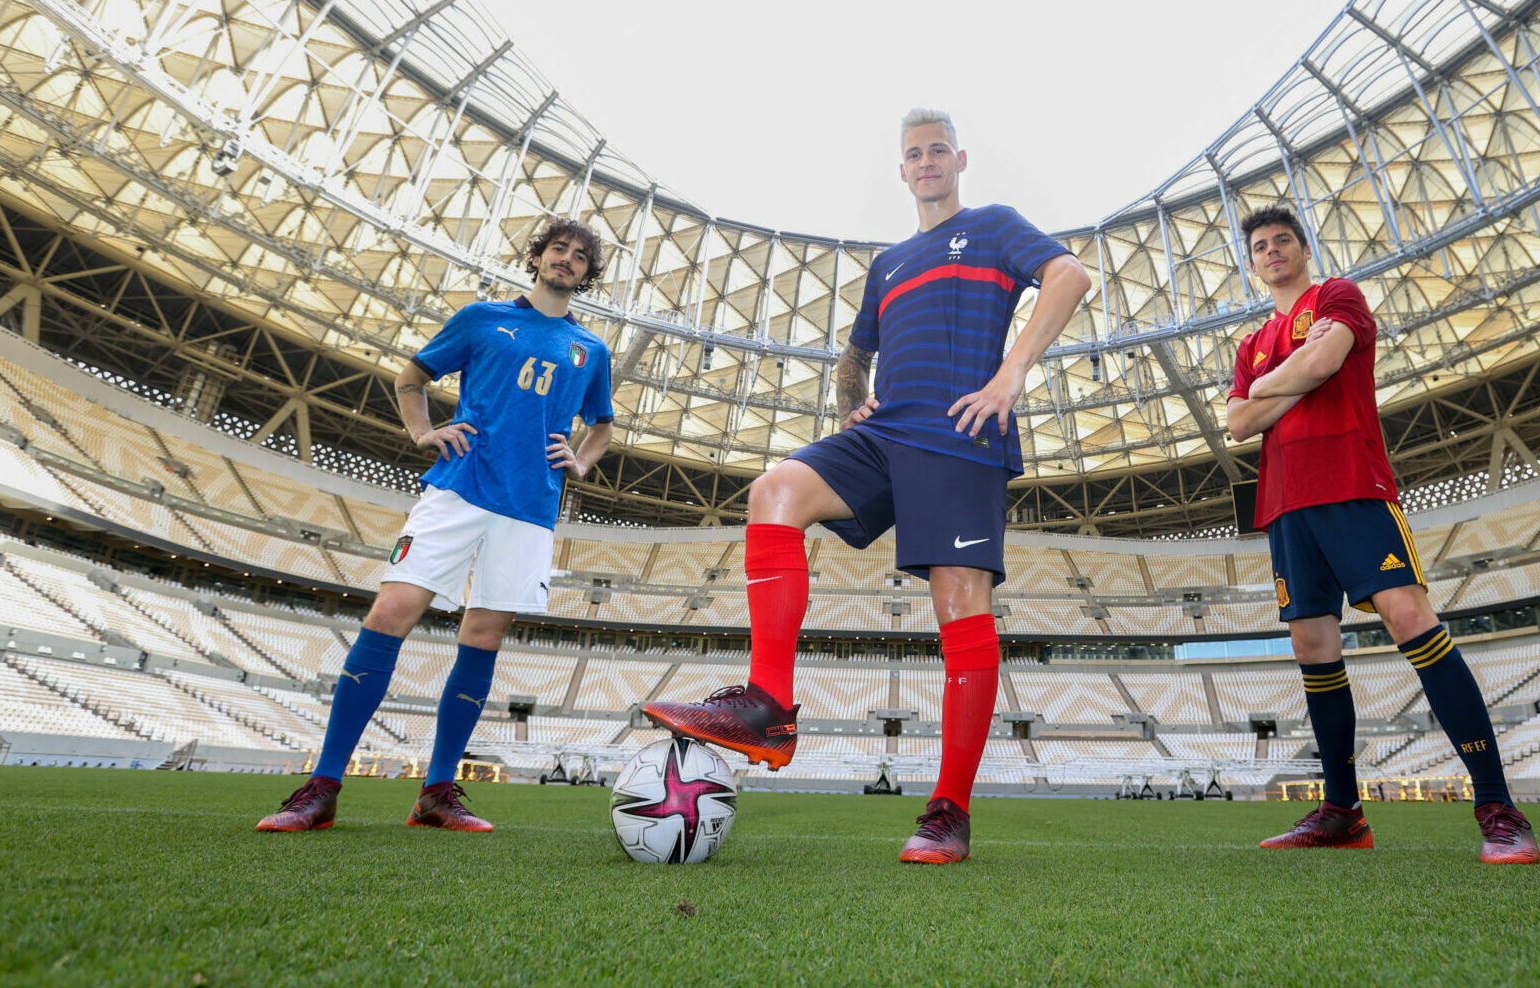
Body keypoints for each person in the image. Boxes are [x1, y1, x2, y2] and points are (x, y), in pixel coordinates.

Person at [642, 108, 1091, 864]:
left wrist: (1009, 375)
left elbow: (1069, 275)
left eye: (937, 149)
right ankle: (767, 708)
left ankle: (948, 811)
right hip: (884, 434)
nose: (926, 162)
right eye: (913, 153)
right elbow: (853, 355)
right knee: (774, 492)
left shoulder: (992, 225)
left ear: (960, 159)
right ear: (902, 167)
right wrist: (853, 400)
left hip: (958, 430)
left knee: (958, 605)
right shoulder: (889, 265)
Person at [256, 217, 615, 832]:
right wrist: (423, 432)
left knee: (483, 636)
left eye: (581, 256)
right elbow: (411, 378)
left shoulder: (592, 350)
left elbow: (602, 423)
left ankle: (437, 792)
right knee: (390, 613)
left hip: (530, 508)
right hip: (457, 490)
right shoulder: (482, 318)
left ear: (588, 273)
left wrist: (581, 459)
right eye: (559, 248)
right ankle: (322, 786)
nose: (568, 260)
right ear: (538, 257)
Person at [1225, 205, 1539, 864]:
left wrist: (1272, 388)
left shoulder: (1337, 297)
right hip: (1284, 502)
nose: (1273, 250)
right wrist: (1286, 381)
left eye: (1283, 239)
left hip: (1351, 483)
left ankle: (1497, 806)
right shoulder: (1250, 343)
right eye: (1260, 245)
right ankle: (1342, 812)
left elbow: (1322, 363)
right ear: (1250, 263)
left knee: (1407, 616)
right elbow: (1237, 424)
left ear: (1303, 250)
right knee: (1312, 643)